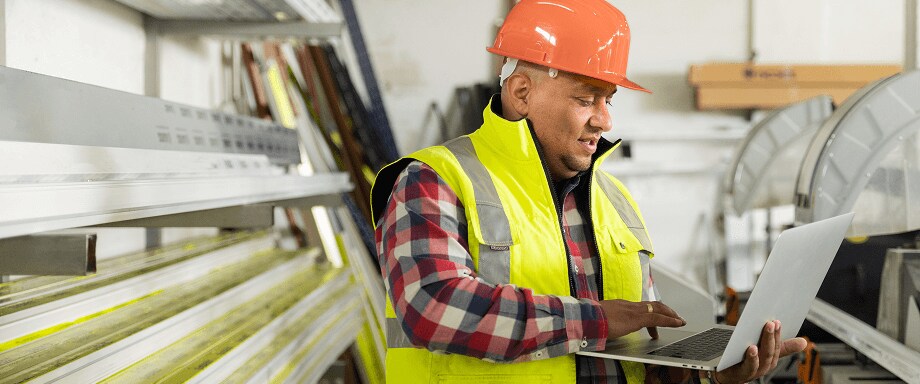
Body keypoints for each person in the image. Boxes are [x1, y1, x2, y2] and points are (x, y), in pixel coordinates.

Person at [370, 0, 807, 382]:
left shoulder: (615, 201)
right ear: (522, 93)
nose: (605, 120)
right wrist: (593, 319)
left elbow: (637, 354)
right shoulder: (433, 180)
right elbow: (434, 308)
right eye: (586, 99)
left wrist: (714, 375)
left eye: (609, 100)